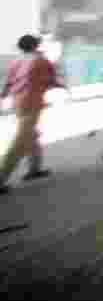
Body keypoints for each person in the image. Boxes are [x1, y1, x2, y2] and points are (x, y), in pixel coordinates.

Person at [1, 35, 67, 193]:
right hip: (31, 103)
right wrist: (62, 86)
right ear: (36, 45)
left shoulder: (16, 61)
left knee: (32, 136)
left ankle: (34, 169)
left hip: (18, 103)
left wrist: (3, 97)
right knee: (20, 142)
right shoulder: (41, 61)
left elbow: (8, 83)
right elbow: (51, 81)